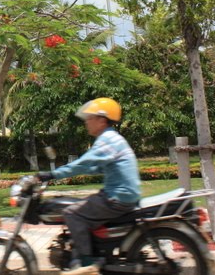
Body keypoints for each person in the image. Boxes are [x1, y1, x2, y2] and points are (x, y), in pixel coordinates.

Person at [36, 97, 140, 275]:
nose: (87, 122)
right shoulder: (110, 139)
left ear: (102, 120)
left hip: (117, 197)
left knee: (71, 212)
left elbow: (83, 164)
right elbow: (94, 167)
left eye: (90, 118)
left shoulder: (107, 140)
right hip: (122, 195)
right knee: (81, 206)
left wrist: (52, 174)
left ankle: (86, 264)